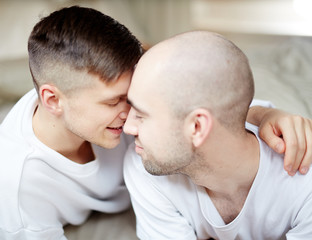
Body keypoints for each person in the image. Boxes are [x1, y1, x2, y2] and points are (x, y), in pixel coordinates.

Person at [0, 5, 311, 240]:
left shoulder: (123, 106)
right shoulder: (15, 189)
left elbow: (196, 94)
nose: (128, 121)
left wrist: (264, 113)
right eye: (115, 102)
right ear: (53, 101)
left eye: (135, 101)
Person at [123, 31, 312, 239]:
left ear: (197, 127)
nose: (127, 128)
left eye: (141, 115)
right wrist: (264, 113)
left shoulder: (304, 183)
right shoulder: (144, 165)